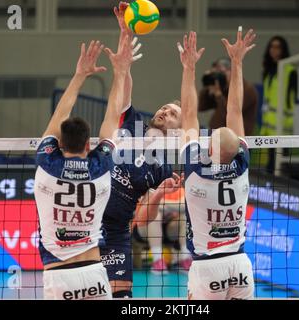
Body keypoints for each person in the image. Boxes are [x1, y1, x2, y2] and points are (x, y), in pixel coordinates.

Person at [34, 34, 136, 300]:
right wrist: (121, 71)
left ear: (58, 143)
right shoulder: (101, 165)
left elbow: (58, 118)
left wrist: (79, 75)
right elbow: (113, 116)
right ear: (88, 146)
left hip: (58, 276)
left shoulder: (47, 163)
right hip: (94, 272)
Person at [99, 2, 182, 298]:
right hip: (89, 220)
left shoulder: (161, 169)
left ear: (178, 130)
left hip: (117, 232)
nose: (164, 112)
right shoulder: (132, 122)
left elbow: (143, 222)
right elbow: (124, 79)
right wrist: (124, 31)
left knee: (123, 299)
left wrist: (160, 193)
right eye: (164, 108)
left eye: (172, 114)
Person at [178, 29, 255, 300]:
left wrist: (188, 68)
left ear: (209, 147)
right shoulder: (242, 164)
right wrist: (238, 62)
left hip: (207, 266)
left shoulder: (196, 170)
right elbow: (235, 110)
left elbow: (188, 113)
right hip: (240, 264)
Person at [133, 186, 191, 272]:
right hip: (143, 230)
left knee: (184, 216)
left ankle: (185, 258)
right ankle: (157, 260)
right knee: (154, 216)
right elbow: (142, 209)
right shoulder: (148, 189)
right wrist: (168, 207)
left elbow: (185, 206)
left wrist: (161, 205)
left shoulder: (179, 190)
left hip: (169, 231)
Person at [260, 36, 297, 172]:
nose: (274, 50)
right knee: (270, 165)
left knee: (281, 165)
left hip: (283, 126)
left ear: (283, 50)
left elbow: (293, 99)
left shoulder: (290, 71)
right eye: (272, 46)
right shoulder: (268, 71)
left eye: (277, 47)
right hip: (269, 126)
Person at [198, 58, 258, 135]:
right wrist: (208, 86)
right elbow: (200, 107)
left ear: (232, 71)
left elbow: (229, 113)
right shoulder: (223, 87)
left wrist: (219, 95)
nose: (218, 76)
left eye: (221, 72)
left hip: (239, 138)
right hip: (221, 137)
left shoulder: (246, 90)